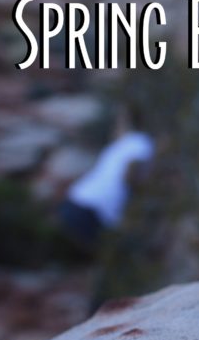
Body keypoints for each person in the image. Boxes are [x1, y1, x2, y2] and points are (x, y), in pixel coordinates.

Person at [59, 106, 154, 254]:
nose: (117, 126)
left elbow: (131, 171)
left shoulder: (138, 142)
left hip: (88, 205)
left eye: (120, 121)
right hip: (90, 206)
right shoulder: (125, 143)